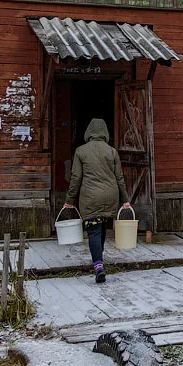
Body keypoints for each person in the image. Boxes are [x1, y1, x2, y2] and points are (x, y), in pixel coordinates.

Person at [63, 118, 131, 283]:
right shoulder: (112, 151)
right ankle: (99, 259)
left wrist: (69, 200)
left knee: (93, 230)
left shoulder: (81, 151)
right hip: (110, 195)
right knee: (101, 226)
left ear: (89, 133)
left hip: (91, 197)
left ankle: (98, 266)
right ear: (104, 133)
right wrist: (125, 199)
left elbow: (76, 177)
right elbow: (119, 177)